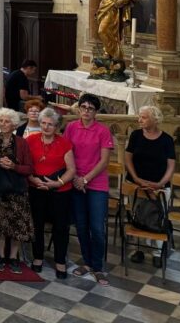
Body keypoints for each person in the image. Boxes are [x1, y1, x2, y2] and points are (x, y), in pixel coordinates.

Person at [64, 93, 114, 285]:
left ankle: (98, 266)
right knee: (81, 225)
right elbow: (66, 153)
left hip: (96, 183)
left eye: (90, 108)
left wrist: (85, 180)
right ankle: (86, 262)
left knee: (97, 228)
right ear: (79, 109)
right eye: (83, 107)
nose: (86, 111)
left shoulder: (102, 131)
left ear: (96, 112)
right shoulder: (71, 127)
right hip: (76, 180)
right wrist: (76, 178)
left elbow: (104, 161)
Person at [26, 107, 76, 278]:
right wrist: (33, 179)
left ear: (57, 127)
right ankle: (38, 257)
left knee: (61, 227)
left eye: (50, 124)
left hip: (60, 191)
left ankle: (60, 261)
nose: (46, 127)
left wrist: (57, 183)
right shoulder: (30, 140)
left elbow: (71, 170)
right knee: (37, 225)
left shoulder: (64, 143)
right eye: (43, 123)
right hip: (36, 188)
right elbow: (26, 166)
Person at [125, 105, 176, 267]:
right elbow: (128, 159)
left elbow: (171, 165)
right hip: (136, 184)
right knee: (138, 216)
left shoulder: (166, 140)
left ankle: (157, 252)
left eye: (144, 117)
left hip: (159, 186)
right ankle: (139, 249)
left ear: (155, 119)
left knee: (157, 219)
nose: (140, 120)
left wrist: (160, 183)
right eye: (140, 116)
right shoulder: (136, 135)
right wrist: (136, 178)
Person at [0, 108, 34, 273]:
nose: (3, 124)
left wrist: (14, 166)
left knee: (17, 224)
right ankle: (0, 255)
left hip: (17, 188)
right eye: (1, 120)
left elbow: (29, 168)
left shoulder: (22, 142)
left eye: (7, 121)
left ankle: (13, 257)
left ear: (14, 124)